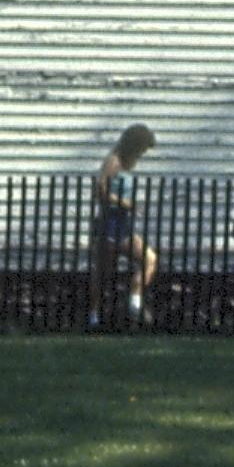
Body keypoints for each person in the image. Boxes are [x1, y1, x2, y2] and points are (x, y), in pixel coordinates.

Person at [91, 122, 159, 328]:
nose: (142, 154)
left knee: (149, 259)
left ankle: (135, 302)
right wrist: (125, 203)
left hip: (125, 225)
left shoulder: (128, 162)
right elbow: (101, 192)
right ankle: (93, 316)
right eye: (142, 149)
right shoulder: (114, 161)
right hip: (110, 224)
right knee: (103, 271)